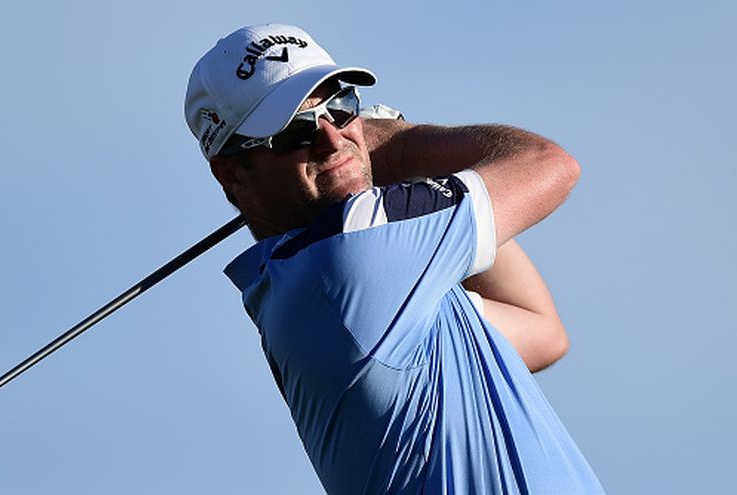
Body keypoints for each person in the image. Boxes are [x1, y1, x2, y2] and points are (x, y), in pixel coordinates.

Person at [185, 23, 604, 494]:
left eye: (341, 108)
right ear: (231, 173)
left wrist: (408, 179)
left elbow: (541, 331)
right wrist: (400, 147)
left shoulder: (334, 286)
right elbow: (548, 164)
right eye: (295, 132)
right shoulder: (351, 251)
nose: (332, 139)